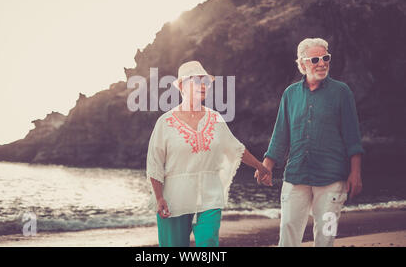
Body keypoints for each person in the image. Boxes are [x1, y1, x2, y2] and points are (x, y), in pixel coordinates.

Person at [146, 60, 270, 247]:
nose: (202, 85)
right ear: (182, 86)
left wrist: (261, 167)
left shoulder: (215, 119)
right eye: (196, 80)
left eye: (205, 81)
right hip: (174, 197)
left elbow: (236, 148)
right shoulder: (165, 122)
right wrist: (159, 198)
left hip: (209, 194)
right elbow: (154, 163)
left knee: (208, 245)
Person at [255, 38, 364, 247]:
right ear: (303, 64)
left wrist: (355, 172)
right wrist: (266, 165)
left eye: (326, 58)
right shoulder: (290, 94)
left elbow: (353, 136)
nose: (322, 63)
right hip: (296, 175)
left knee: (326, 235)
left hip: (333, 178)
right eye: (315, 59)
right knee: (288, 231)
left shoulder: (342, 92)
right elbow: (280, 134)